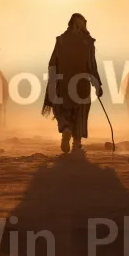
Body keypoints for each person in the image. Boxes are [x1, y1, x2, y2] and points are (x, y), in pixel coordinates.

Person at [42, 13, 103, 153]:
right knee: (80, 113)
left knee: (60, 109)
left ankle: (66, 128)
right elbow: (92, 65)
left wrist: (52, 81)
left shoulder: (61, 40)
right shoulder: (88, 42)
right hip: (81, 84)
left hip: (62, 83)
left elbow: (52, 62)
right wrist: (97, 84)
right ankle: (76, 144)